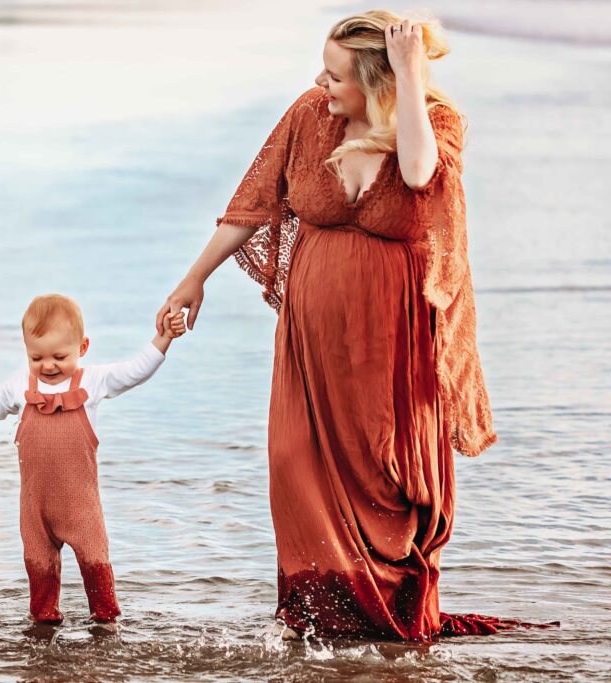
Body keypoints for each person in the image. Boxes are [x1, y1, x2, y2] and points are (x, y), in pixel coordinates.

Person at [157, 11, 524, 640]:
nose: (321, 85)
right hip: (310, 341)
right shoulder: (309, 115)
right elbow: (254, 201)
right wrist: (194, 278)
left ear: (378, 81)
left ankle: (378, 618)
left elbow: (416, 175)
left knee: (385, 476)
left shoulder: (436, 125)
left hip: (392, 343)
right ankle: (322, 615)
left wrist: (408, 79)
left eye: (336, 76)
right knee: (292, 461)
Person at [0, 294, 185, 625]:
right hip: (35, 510)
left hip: (82, 509)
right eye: (37, 357)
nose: (48, 365)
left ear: (83, 347)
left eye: (59, 356)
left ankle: (106, 626)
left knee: (96, 568)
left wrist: (164, 338)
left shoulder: (93, 381)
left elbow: (135, 370)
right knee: (39, 572)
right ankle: (43, 626)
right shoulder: (21, 384)